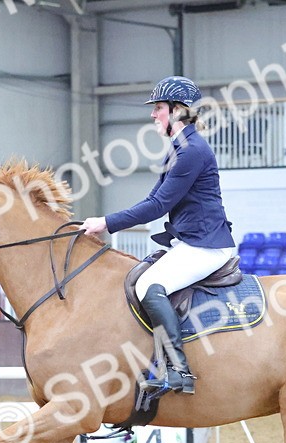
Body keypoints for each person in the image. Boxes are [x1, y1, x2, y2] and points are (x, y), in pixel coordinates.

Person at [80, 76, 237, 395]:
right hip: (192, 242)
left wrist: (106, 223)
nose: (153, 115)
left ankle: (179, 370)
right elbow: (153, 199)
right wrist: (100, 222)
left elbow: (158, 205)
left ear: (178, 111)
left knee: (150, 285)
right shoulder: (179, 148)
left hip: (206, 245)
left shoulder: (191, 151)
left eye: (159, 108)